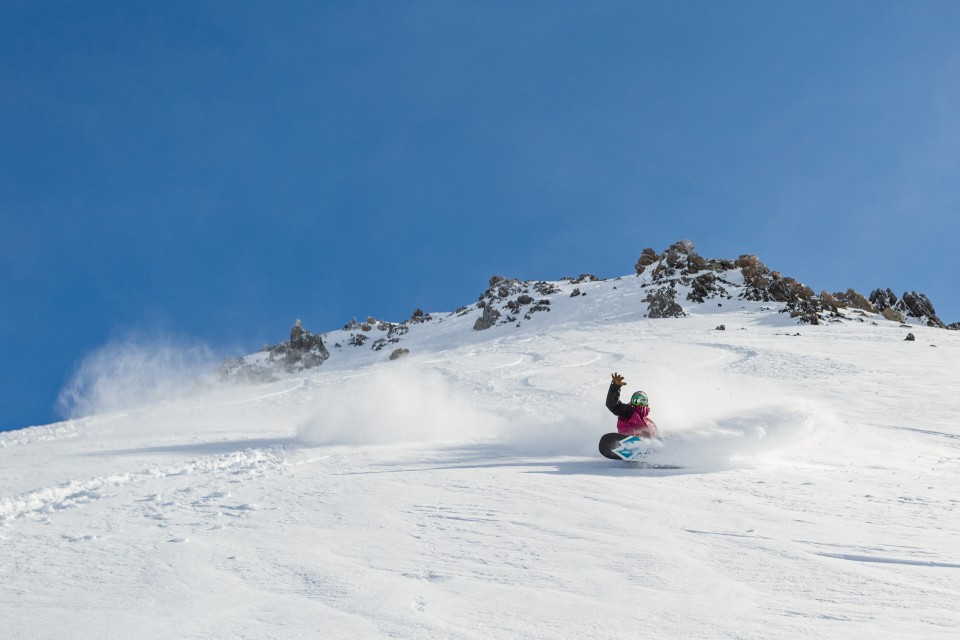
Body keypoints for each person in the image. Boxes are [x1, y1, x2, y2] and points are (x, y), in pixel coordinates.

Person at [606, 372, 658, 438]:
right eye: (636, 400)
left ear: (647, 404)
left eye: (643, 401)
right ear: (632, 401)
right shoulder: (628, 411)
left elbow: (656, 436)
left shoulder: (649, 422)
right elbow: (612, 405)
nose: (640, 404)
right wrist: (615, 387)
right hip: (627, 438)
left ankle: (643, 442)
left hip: (646, 444)